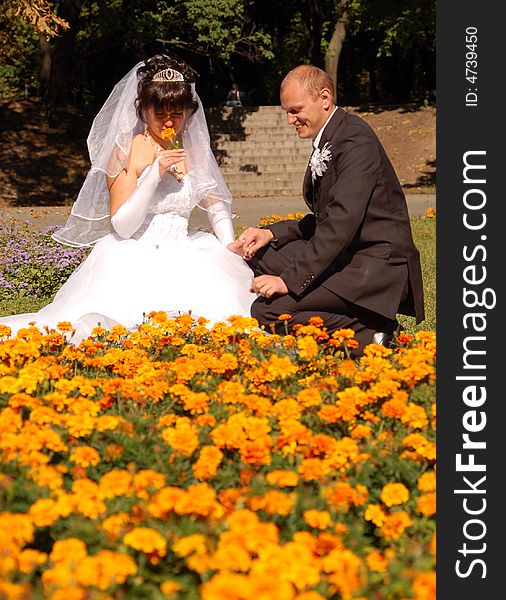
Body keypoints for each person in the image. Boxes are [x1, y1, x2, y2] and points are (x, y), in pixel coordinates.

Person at [0, 55, 257, 342]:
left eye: (178, 113)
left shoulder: (194, 150)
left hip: (188, 249)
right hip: (135, 250)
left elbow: (215, 203)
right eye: (160, 114)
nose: (169, 121)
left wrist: (227, 242)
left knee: (224, 314)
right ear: (144, 110)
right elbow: (122, 224)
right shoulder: (125, 151)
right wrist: (153, 174)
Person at [230, 64, 425, 353]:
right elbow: (325, 218)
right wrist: (270, 234)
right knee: (261, 253)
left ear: (324, 98)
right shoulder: (332, 137)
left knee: (268, 311)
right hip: (346, 253)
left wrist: (287, 281)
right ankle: (361, 318)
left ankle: (371, 333)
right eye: (286, 111)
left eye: (295, 110)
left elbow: (341, 223)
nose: (289, 120)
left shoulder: (355, 139)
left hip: (375, 265)